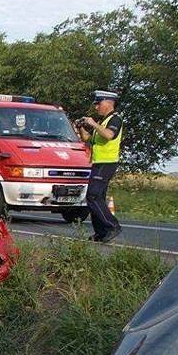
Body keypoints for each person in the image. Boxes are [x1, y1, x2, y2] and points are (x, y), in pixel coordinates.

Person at [77, 89, 123, 243]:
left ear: (109, 103)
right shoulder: (103, 122)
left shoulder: (114, 120)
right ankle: (101, 232)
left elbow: (109, 135)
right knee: (98, 197)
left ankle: (112, 226)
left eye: (99, 103)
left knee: (93, 195)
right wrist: (81, 127)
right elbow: (88, 140)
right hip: (98, 163)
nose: (96, 107)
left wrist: (93, 123)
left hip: (107, 163)